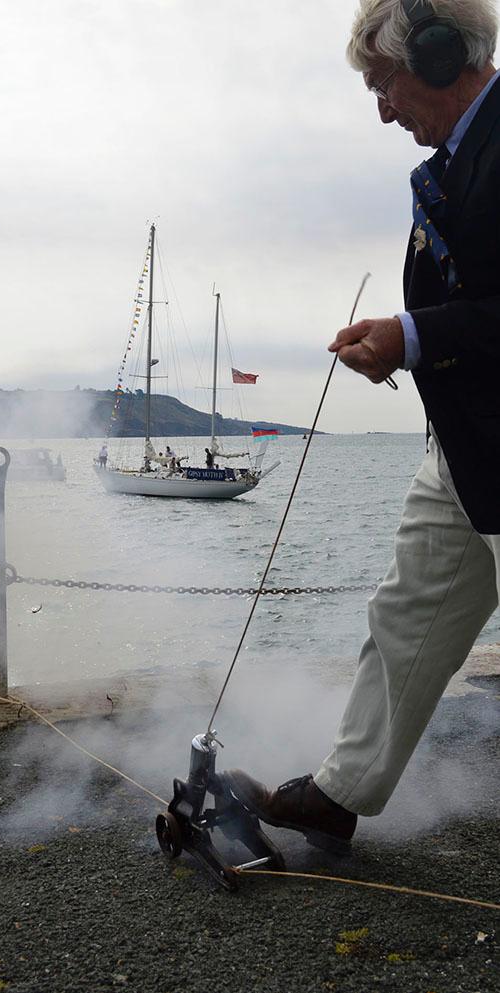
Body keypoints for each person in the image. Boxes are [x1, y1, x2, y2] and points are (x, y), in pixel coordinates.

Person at [223, 0, 500, 854]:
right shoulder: (454, 165)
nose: (380, 108)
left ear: (440, 53)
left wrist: (412, 336)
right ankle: (342, 791)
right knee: (406, 616)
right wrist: (405, 344)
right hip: (468, 448)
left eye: (383, 83)